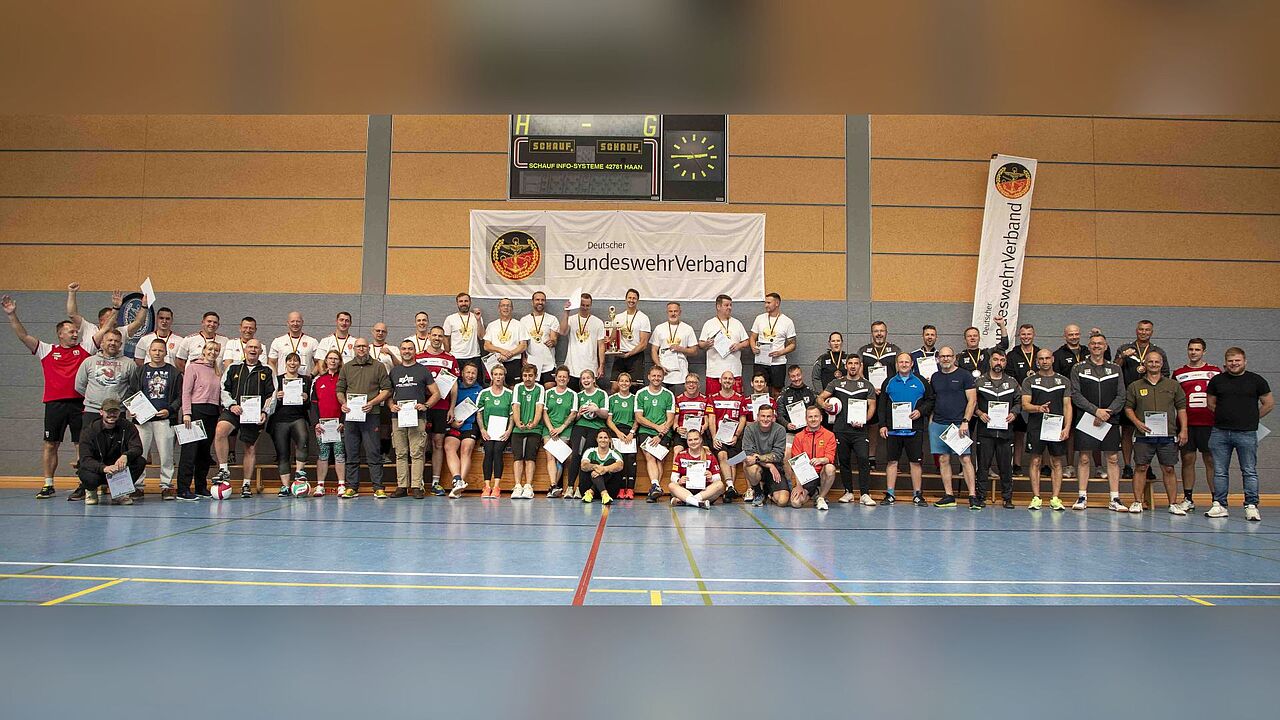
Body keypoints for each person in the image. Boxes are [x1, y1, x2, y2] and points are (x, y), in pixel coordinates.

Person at [3, 288, 98, 499]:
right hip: (54, 404)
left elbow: (105, 331)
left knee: (80, 445)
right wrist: (11, 314)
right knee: (50, 444)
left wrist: (116, 308)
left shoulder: (84, 349)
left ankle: (83, 483)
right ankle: (48, 484)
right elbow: (23, 336)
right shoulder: (47, 350)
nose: (75, 333)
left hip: (79, 403)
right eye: (71, 331)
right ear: (60, 334)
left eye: (76, 331)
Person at [1205, 347, 1273, 520]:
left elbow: (1268, 403)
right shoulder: (1217, 380)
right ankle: (1219, 505)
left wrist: (1251, 418)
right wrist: (1225, 416)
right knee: (1220, 471)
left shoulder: (1256, 380)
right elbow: (1210, 403)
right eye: (1230, 361)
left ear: (1244, 361)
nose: (1234, 363)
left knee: (1249, 470)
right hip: (1220, 433)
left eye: (1237, 360)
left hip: (1247, 433)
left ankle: (1251, 505)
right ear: (1225, 363)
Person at [1069, 333, 1128, 511]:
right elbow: (1075, 394)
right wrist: (1095, 411)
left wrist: (1106, 413)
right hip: (1087, 418)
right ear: (1089, 346)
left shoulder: (1115, 368)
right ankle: (1082, 497)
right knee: (1084, 458)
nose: (1096, 346)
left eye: (1100, 343)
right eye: (1093, 343)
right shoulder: (1078, 368)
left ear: (1105, 346)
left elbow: (1121, 395)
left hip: (1110, 418)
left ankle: (1115, 498)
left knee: (1112, 458)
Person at [1124, 350, 1188, 514]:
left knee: (1169, 468)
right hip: (1143, 435)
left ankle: (1173, 504)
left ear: (1162, 364)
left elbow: (1181, 408)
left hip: (1168, 434)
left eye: (1157, 362)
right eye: (1150, 362)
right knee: (1141, 467)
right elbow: (1128, 408)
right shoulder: (1135, 386)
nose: (1153, 364)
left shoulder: (1173, 385)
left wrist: (1184, 430)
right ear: (1144, 364)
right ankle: (1137, 502)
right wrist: (1137, 423)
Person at [212, 338, 276, 498]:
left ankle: (246, 484)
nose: (253, 350)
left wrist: (265, 412)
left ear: (261, 351)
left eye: (256, 348)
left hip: (254, 414)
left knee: (250, 448)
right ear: (245, 349)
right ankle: (223, 469)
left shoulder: (267, 371)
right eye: (250, 347)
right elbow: (224, 389)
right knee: (220, 430)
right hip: (234, 410)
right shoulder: (233, 368)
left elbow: (272, 394)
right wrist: (231, 405)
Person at [127, 337, 182, 500]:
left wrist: (170, 410)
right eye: (154, 350)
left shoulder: (174, 372)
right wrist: (132, 409)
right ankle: (137, 486)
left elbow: (180, 397)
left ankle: (166, 486)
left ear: (165, 352)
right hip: (142, 421)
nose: (157, 353)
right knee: (140, 454)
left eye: (160, 350)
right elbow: (131, 393)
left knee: (166, 455)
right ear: (149, 352)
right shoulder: (140, 371)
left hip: (164, 419)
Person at [817, 355, 877, 505]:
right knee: (844, 461)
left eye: (856, 363)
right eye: (850, 363)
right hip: (841, 430)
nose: (853, 366)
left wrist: (864, 420)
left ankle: (865, 494)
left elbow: (872, 407)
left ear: (860, 366)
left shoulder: (867, 385)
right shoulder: (836, 383)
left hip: (860, 431)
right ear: (846, 365)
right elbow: (820, 398)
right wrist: (824, 405)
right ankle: (848, 492)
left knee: (863, 460)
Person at [336, 338, 392, 498]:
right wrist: (343, 403)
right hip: (351, 416)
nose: (361, 349)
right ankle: (352, 487)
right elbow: (340, 390)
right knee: (351, 452)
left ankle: (378, 488)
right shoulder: (347, 367)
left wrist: (372, 403)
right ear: (354, 348)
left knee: (373, 452)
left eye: (364, 346)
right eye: (358, 346)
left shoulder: (378, 366)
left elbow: (387, 390)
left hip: (371, 415)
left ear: (369, 348)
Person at [1117, 320, 1170, 480]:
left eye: (1147, 330)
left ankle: (1146, 466)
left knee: (1148, 431)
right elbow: (1115, 368)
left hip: (1149, 397)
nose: (1144, 332)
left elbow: (1165, 374)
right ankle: (1127, 466)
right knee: (1127, 431)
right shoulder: (1125, 348)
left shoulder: (1157, 351)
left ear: (1151, 332)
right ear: (1136, 330)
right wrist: (1122, 356)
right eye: (1141, 329)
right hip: (1128, 395)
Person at [879, 352, 934, 506]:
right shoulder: (888, 382)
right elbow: (882, 406)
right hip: (893, 430)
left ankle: (917, 495)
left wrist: (921, 411)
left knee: (915, 462)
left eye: (906, 362)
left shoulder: (921, 382)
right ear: (897, 364)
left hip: (914, 430)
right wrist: (882, 425)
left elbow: (931, 400)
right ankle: (890, 494)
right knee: (892, 461)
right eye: (901, 362)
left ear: (912, 364)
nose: (904, 364)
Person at [389, 339, 441, 499]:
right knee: (400, 453)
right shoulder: (394, 371)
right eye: (404, 349)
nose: (407, 351)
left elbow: (436, 393)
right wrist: (390, 405)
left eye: (410, 349)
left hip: (417, 418)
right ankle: (402, 486)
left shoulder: (422, 371)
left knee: (417, 452)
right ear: (400, 351)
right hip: (398, 417)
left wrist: (426, 405)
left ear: (414, 351)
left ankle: (417, 486)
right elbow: (388, 393)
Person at [1173, 339, 1221, 513]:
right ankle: (1188, 498)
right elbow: (1174, 399)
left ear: (1204, 352)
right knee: (1188, 460)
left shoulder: (1215, 372)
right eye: (1191, 349)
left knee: (1211, 461)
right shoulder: (1179, 373)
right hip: (1187, 424)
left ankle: (1217, 500)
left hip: (1210, 424)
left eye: (1197, 349)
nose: (1193, 352)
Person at [928, 347, 978, 508]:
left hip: (958, 424)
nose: (946, 359)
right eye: (942, 356)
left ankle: (972, 496)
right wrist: (931, 421)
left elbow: (972, 401)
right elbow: (933, 400)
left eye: (949, 356)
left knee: (965, 459)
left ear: (954, 357)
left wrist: (965, 421)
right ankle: (949, 495)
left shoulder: (965, 375)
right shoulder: (935, 377)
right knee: (943, 459)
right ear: (938, 359)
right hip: (938, 423)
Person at [1022, 349, 1073, 511]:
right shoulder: (1030, 381)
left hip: (1056, 426)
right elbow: (1025, 405)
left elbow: (1067, 406)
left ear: (1053, 359)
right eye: (1041, 359)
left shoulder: (1063, 381)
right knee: (1035, 461)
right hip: (1036, 426)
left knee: (1056, 462)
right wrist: (1038, 408)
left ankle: (1055, 498)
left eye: (1047, 358)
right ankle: (1036, 497)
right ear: (1037, 361)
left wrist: (1067, 427)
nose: (1044, 361)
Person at [414, 326, 460, 495]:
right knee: (420, 443)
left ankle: (435, 482)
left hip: (441, 407)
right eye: (434, 335)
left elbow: (454, 385)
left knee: (438, 443)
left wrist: (451, 407)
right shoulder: (418, 357)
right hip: (422, 406)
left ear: (443, 339)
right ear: (429, 336)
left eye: (440, 336)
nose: (437, 338)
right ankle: (418, 482)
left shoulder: (450, 359)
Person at [76, 398, 146, 506]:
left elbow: (137, 447)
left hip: (118, 469)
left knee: (140, 461)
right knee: (84, 471)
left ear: (119, 412)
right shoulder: (89, 430)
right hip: (98, 470)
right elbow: (85, 459)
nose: (112, 415)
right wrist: (104, 468)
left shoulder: (128, 427)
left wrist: (126, 456)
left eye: (115, 411)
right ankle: (91, 491)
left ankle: (120, 492)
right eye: (108, 411)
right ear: (101, 412)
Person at [177, 340, 222, 500]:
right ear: (204, 351)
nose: (212, 352)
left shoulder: (218, 371)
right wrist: (187, 413)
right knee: (190, 452)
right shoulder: (193, 367)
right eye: (210, 349)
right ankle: (183, 489)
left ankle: (200, 487)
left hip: (212, 412)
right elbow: (186, 392)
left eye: (216, 350)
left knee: (204, 452)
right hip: (196, 411)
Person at [973, 350, 1019, 508]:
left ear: (1005, 363)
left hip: (1006, 432)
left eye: (1002, 360)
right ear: (990, 361)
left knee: (1006, 467)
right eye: (995, 359)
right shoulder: (979, 382)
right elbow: (971, 402)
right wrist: (979, 413)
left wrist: (1014, 413)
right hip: (985, 432)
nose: (998, 363)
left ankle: (1007, 498)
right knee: (982, 466)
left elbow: (1019, 402)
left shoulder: (1012, 382)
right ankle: (981, 497)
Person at [857, 320, 902, 465]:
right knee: (871, 426)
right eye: (876, 331)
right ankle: (870, 459)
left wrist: (888, 387)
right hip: (870, 395)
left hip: (889, 395)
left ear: (886, 332)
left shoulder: (895, 349)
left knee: (892, 426)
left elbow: (900, 370)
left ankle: (894, 461)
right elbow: (859, 372)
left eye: (881, 331)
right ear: (872, 333)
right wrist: (871, 387)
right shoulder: (864, 350)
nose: (879, 334)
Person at [270, 352, 312, 496]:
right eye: (290, 361)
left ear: (299, 364)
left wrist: (306, 398)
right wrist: (277, 397)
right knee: (282, 452)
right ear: (285, 363)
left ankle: (299, 473)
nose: (292, 363)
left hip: (298, 417)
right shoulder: (277, 380)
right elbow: (269, 401)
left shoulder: (305, 380)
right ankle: (285, 486)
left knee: (303, 438)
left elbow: (310, 404)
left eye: (295, 361)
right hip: (280, 419)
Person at [75, 328, 138, 422]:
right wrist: (94, 399)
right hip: (92, 411)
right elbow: (79, 385)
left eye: (116, 341)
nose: (113, 343)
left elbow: (134, 388)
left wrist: (119, 401)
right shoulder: (89, 361)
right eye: (110, 340)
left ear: (121, 344)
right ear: (102, 342)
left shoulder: (129, 363)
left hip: (117, 411)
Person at [564, 369, 610, 495]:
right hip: (580, 427)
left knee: (587, 457)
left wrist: (596, 410)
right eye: (583, 378)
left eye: (588, 378)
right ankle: (570, 487)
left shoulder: (601, 394)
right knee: (576, 455)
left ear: (594, 380)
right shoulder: (578, 396)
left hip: (595, 428)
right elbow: (575, 418)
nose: (586, 380)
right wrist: (579, 413)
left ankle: (581, 488)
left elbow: (605, 415)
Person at [635, 365, 676, 503]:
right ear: (649, 377)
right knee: (650, 456)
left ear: (663, 377)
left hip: (664, 433)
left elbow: (670, 419)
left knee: (660, 459)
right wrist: (656, 427)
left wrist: (660, 435)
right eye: (654, 375)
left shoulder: (668, 395)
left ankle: (654, 489)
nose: (656, 378)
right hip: (645, 431)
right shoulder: (641, 394)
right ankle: (656, 486)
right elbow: (639, 417)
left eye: (659, 376)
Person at [707, 370, 749, 503]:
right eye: (725, 378)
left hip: (734, 437)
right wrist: (714, 437)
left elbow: (743, 419)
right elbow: (711, 419)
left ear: (734, 381)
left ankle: (729, 491)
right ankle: (730, 486)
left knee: (733, 461)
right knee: (722, 455)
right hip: (718, 436)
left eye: (730, 379)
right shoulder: (712, 398)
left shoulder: (740, 398)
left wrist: (736, 435)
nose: (727, 381)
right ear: (720, 380)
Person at [786, 406, 838, 510]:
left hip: (821, 473)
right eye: (810, 417)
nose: (813, 419)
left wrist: (821, 460)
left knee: (830, 468)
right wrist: (799, 485)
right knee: (796, 503)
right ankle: (815, 492)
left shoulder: (829, 435)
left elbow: (830, 457)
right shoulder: (799, 437)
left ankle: (821, 497)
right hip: (806, 475)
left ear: (821, 418)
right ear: (806, 419)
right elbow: (796, 463)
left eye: (816, 416)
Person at [1005, 322, 1040, 473]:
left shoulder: (1040, 353)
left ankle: (1043, 465)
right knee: (1018, 434)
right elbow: (1010, 378)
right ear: (1019, 336)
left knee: (1040, 433)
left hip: (1038, 399)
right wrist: (1024, 392)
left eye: (1029, 334)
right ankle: (1017, 465)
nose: (1026, 337)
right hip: (1019, 399)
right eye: (1023, 334)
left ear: (1034, 335)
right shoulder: (1012, 355)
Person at [699, 294, 751, 395]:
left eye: (731, 305)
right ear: (718, 306)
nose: (729, 307)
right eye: (726, 305)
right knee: (713, 400)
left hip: (734, 371)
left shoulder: (737, 323)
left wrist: (739, 346)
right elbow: (700, 344)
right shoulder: (709, 324)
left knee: (735, 400)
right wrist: (706, 343)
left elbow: (746, 342)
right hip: (714, 372)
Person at [310, 350, 345, 497]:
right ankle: (320, 485)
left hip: (338, 426)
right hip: (322, 426)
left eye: (336, 359)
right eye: (330, 358)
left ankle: (341, 485)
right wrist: (316, 423)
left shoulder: (344, 380)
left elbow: (347, 403)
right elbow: (313, 404)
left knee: (339, 455)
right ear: (326, 361)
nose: (333, 361)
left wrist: (343, 421)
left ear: (339, 362)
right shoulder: (318, 380)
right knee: (323, 455)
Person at [445, 363, 483, 498]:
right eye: (468, 372)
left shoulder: (480, 390)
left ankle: (459, 483)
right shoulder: (454, 387)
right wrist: (453, 423)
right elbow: (447, 407)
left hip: (470, 426)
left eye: (473, 373)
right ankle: (457, 479)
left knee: (466, 449)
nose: (470, 376)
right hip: (454, 425)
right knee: (449, 447)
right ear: (462, 374)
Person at [475, 364, 512, 499]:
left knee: (497, 451)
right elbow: (479, 413)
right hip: (488, 431)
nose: (498, 377)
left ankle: (496, 486)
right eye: (495, 374)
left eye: (500, 374)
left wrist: (508, 431)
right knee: (488, 451)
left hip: (503, 432)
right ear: (491, 376)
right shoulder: (484, 393)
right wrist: (482, 429)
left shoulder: (509, 394)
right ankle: (487, 486)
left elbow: (513, 414)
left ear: (504, 376)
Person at [509, 364, 546, 500]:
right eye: (525, 375)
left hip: (534, 428)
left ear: (535, 376)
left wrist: (534, 423)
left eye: (530, 375)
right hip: (518, 428)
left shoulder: (540, 388)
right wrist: (518, 422)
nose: (527, 378)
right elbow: (516, 406)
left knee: (530, 456)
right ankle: (518, 485)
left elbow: (539, 408)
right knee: (518, 456)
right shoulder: (518, 387)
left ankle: (528, 486)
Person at [543, 366, 580, 498]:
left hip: (565, 430)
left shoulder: (573, 394)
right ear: (556, 378)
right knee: (550, 456)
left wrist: (561, 428)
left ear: (568, 379)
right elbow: (544, 412)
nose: (562, 379)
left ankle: (553, 488)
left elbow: (573, 413)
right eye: (560, 376)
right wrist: (551, 428)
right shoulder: (548, 393)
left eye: (565, 377)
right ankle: (553, 485)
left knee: (560, 458)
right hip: (549, 429)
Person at [742, 405, 789, 507]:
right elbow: (749, 454)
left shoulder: (780, 430)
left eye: (768, 416)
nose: (765, 419)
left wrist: (758, 458)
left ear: (773, 417)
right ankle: (758, 492)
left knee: (782, 501)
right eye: (763, 416)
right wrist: (769, 465)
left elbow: (778, 455)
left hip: (776, 468)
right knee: (750, 467)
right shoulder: (749, 429)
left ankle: (769, 493)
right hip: (758, 467)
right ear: (758, 417)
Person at [749, 292, 797, 393]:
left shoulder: (787, 321)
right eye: (765, 303)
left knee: (777, 392)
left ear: (777, 303)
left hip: (778, 362)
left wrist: (780, 352)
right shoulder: (759, 318)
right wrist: (753, 347)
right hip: (761, 361)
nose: (766, 305)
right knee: (761, 390)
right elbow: (752, 337)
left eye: (769, 303)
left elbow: (792, 344)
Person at [667, 429, 724, 509]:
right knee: (671, 485)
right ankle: (698, 503)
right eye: (690, 440)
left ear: (701, 440)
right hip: (685, 491)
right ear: (687, 441)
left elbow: (718, 478)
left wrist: (711, 477)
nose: (693, 442)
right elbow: (673, 477)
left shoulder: (710, 456)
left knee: (720, 485)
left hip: (704, 492)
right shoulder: (681, 455)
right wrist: (679, 480)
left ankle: (688, 501)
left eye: (696, 439)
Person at [560, 292, 606, 391]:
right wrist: (566, 312)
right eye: (582, 305)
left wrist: (601, 365)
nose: (585, 308)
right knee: (572, 397)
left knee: (589, 397)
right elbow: (562, 332)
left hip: (590, 367)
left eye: (587, 305)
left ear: (591, 305)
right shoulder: (570, 319)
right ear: (578, 305)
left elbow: (601, 345)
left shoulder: (598, 322)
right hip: (572, 367)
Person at [650, 302, 698, 395]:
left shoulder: (687, 329)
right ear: (667, 312)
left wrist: (680, 349)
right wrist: (659, 366)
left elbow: (695, 351)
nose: (673, 314)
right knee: (663, 400)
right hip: (663, 372)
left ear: (680, 312)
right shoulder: (659, 328)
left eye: (675, 311)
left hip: (680, 372)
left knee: (679, 399)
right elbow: (653, 350)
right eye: (670, 311)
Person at [608, 288, 651, 393]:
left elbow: (644, 344)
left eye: (634, 298)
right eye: (629, 298)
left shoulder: (643, 318)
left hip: (635, 356)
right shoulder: (618, 317)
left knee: (633, 388)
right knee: (615, 388)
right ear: (625, 299)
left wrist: (629, 354)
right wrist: (607, 340)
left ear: (638, 300)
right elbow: (613, 339)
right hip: (620, 355)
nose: (631, 300)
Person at [605, 371, 639, 499]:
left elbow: (638, 418)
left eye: (626, 381)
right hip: (616, 431)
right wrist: (618, 433)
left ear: (630, 383)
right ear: (618, 383)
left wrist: (632, 432)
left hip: (630, 432)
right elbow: (609, 420)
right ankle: (619, 489)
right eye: (622, 381)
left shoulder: (635, 398)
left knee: (630, 460)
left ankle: (630, 489)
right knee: (619, 460)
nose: (624, 383)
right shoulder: (612, 399)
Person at [483, 298, 528, 386]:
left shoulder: (519, 325)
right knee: (494, 387)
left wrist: (509, 355)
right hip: (495, 361)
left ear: (512, 308)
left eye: (508, 306)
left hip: (514, 362)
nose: (506, 308)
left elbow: (523, 345)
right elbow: (486, 346)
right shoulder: (492, 325)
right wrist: (502, 351)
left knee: (513, 388)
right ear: (499, 308)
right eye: (503, 305)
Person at [519, 291, 561, 387]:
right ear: (532, 302)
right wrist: (523, 357)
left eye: (543, 300)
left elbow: (554, 339)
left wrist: (552, 342)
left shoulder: (552, 319)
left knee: (549, 387)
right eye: (537, 300)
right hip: (531, 361)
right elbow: (522, 342)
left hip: (548, 362)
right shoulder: (524, 320)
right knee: (532, 389)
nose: (540, 302)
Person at [442, 292, 485, 376]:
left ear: (470, 302)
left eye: (466, 301)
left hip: (474, 356)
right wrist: (448, 353)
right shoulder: (450, 318)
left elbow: (481, 336)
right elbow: (445, 338)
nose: (463, 303)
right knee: (456, 382)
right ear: (457, 303)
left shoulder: (476, 317)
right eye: (461, 301)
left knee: (476, 382)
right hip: (456, 357)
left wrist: (478, 320)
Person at [579, 429, 624, 505]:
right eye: (600, 437)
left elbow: (620, 465)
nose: (603, 440)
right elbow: (583, 465)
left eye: (605, 438)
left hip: (610, 491)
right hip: (586, 489)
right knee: (592, 463)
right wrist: (595, 467)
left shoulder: (614, 452)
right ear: (596, 439)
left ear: (610, 440)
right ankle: (603, 493)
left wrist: (605, 469)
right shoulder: (590, 451)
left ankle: (591, 491)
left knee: (611, 462)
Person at [671, 373, 711, 457]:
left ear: (699, 385)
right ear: (685, 385)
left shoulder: (705, 399)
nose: (691, 385)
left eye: (694, 382)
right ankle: (676, 466)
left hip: (699, 433)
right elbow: (674, 423)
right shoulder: (678, 399)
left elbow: (707, 422)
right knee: (677, 451)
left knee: (706, 452)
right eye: (688, 382)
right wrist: (678, 429)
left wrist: (704, 427)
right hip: (683, 433)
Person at [777, 364, 818, 445]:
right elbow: (780, 415)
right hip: (791, 433)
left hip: (809, 432)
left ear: (802, 374)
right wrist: (787, 424)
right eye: (793, 376)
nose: (796, 379)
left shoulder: (811, 392)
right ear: (789, 377)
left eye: (798, 375)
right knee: (787, 451)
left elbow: (818, 412)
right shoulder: (784, 394)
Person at [811, 331, 850, 397]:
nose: (836, 343)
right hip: (827, 397)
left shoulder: (848, 358)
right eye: (833, 341)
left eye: (838, 341)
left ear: (842, 342)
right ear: (829, 343)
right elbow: (816, 377)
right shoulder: (822, 359)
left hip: (845, 395)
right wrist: (822, 394)